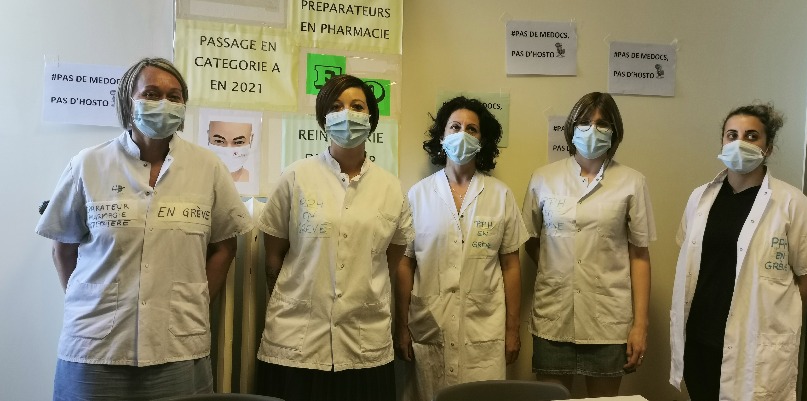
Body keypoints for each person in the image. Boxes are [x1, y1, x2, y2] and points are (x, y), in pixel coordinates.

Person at [35, 57, 254, 400]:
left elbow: (224, 247)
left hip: (177, 344)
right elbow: (63, 247)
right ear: (129, 100)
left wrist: (195, 302)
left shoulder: (208, 167)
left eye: (174, 96)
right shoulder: (89, 164)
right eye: (151, 94)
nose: (164, 103)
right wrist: (89, 302)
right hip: (95, 348)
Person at [256, 74, 412, 401]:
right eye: (336, 106)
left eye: (357, 106)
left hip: (364, 344)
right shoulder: (296, 176)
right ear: (323, 118)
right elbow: (273, 256)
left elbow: (390, 261)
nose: (347, 114)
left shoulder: (390, 188)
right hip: (296, 341)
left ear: (371, 118)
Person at [669, 103, 807, 400]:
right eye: (732, 135)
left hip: (755, 349)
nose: (740, 142)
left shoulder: (791, 204)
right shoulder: (700, 198)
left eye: (751, 136)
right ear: (722, 142)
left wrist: (777, 320)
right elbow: (690, 262)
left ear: (768, 148)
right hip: (699, 340)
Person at [521, 92, 656, 397]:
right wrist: (557, 270)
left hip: (607, 321)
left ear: (614, 131)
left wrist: (640, 325)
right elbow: (530, 239)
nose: (592, 130)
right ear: (571, 128)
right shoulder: (543, 178)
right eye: (584, 122)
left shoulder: (632, 182)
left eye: (602, 123)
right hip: (554, 316)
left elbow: (639, 254)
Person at [395, 96, 528, 401]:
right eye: (455, 127)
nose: (463, 134)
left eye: (472, 129)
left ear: (482, 141)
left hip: (484, 333)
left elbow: (511, 266)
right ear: (442, 136)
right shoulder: (418, 195)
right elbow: (405, 264)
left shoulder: (500, 196)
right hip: (429, 329)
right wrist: (402, 326)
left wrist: (512, 330)